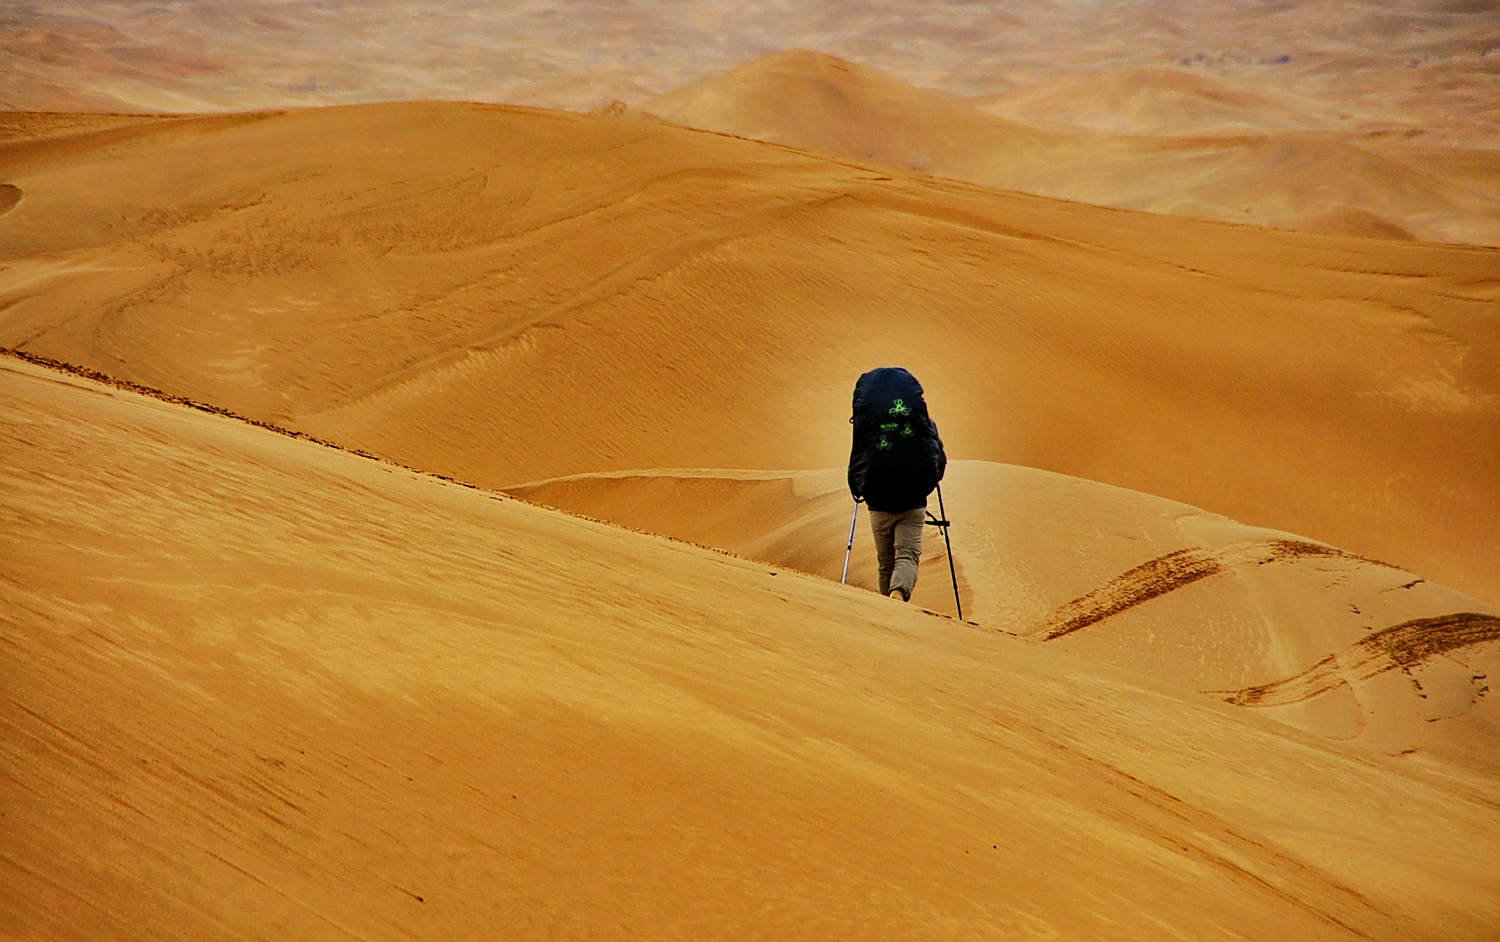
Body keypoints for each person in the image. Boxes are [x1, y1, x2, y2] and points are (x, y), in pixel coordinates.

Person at [846, 366, 946, 602]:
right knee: (907, 556)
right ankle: (898, 595)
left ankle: (888, 608)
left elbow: (858, 456)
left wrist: (857, 488)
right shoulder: (925, 425)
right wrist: (929, 482)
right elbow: (937, 460)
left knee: (886, 562)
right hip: (913, 501)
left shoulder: (869, 425)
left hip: (878, 502)